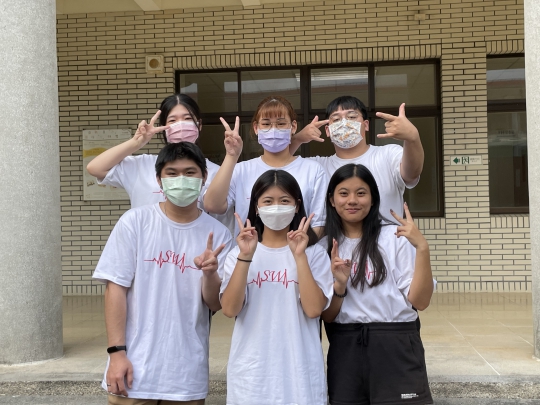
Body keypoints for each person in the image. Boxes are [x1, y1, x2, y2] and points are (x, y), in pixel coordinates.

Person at [93, 142, 233, 404]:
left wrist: (210, 273)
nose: (182, 179)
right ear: (159, 179)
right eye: (172, 173)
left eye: (190, 172)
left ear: (204, 177)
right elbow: (115, 289)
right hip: (133, 371)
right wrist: (116, 353)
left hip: (186, 374)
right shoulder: (135, 222)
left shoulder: (218, 234)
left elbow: (215, 304)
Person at [320, 163, 433, 405]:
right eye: (343, 193)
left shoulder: (395, 238)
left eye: (361, 193)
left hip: (396, 346)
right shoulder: (325, 248)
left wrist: (422, 248)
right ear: (331, 200)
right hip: (346, 349)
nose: (352, 200)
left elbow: (421, 302)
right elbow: (327, 316)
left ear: (373, 199)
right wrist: (340, 285)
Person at [220, 170, 333, 405]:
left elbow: (314, 309)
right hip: (251, 377)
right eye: (268, 201)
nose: (276, 207)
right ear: (256, 207)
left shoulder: (315, 254)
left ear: (296, 205)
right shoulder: (238, 254)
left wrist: (299, 256)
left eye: (284, 201)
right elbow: (230, 309)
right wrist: (245, 257)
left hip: (300, 376)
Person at [86, 93, 234, 232]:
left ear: (199, 125)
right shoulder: (142, 165)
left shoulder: (218, 173)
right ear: (163, 127)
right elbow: (95, 168)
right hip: (149, 246)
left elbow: (220, 216)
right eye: (172, 120)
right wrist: (136, 142)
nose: (180, 125)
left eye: (187, 118)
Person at [203, 96, 328, 237]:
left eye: (281, 124)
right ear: (256, 128)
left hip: (300, 250)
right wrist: (231, 156)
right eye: (266, 124)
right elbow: (212, 205)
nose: (273, 129)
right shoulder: (241, 170)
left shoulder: (313, 170)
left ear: (293, 127)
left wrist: (302, 247)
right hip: (249, 250)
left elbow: (318, 224)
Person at [290, 95, 424, 218]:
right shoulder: (317, 166)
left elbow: (411, 175)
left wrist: (412, 138)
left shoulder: (388, 154)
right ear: (327, 130)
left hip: (388, 236)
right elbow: (279, 165)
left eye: (352, 117)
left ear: (366, 125)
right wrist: (297, 139)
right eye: (336, 119)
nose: (344, 123)